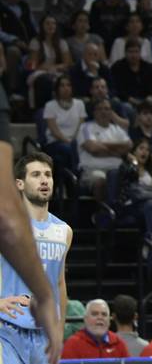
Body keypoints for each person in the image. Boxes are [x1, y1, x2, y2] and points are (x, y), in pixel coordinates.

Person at [0, 154, 70, 364]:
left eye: (48, 175)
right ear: (19, 184)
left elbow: (59, 283)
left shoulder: (64, 231)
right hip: (7, 329)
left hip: (44, 333)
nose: (44, 180)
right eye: (36, 175)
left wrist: (60, 327)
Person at [61, 299, 129, 359]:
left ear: (109, 320)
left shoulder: (119, 344)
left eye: (104, 314)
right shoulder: (72, 344)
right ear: (85, 319)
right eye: (94, 314)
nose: (100, 317)